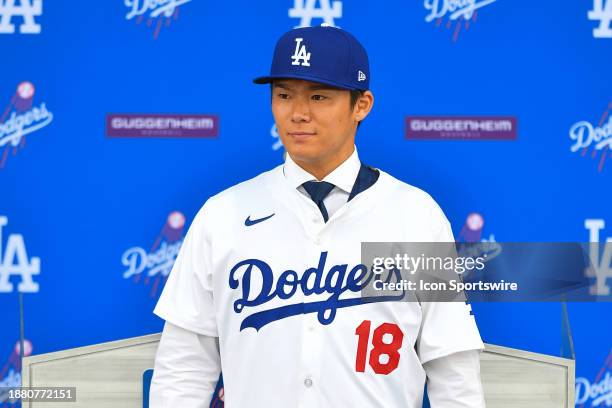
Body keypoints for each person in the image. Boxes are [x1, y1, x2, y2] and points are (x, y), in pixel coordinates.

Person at [150, 25, 486, 408]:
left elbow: (451, 367)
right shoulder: (223, 214)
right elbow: (184, 366)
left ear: (361, 105)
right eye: (284, 95)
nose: (297, 113)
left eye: (319, 95)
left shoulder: (415, 215)